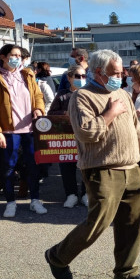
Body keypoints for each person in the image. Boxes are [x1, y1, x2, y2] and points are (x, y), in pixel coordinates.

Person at [45, 49, 140, 279]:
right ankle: (57, 257)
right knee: (98, 222)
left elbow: (137, 130)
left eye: (122, 71)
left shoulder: (123, 94)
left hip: (132, 167)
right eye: (115, 72)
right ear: (99, 72)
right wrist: (110, 112)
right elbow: (86, 133)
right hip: (102, 169)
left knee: (132, 222)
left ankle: (125, 272)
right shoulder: (82, 97)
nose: (122, 76)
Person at [0, 44, 47, 218]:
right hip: (8, 131)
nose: (16, 58)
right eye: (13, 54)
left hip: (30, 130)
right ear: (3, 56)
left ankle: (35, 200)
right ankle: (10, 202)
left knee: (33, 166)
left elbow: (38, 96)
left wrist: (39, 109)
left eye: (19, 55)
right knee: (8, 168)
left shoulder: (27, 74)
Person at [47, 64, 88, 208]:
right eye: (77, 76)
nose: (81, 79)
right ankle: (71, 194)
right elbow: (51, 113)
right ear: (70, 78)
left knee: (86, 165)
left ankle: (86, 194)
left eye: (84, 76)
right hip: (66, 138)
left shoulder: (90, 93)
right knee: (67, 166)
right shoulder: (62, 94)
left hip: (85, 136)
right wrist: (64, 114)